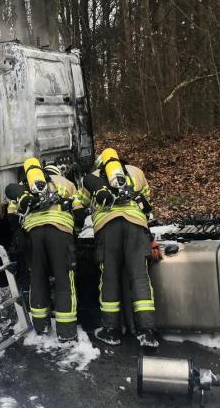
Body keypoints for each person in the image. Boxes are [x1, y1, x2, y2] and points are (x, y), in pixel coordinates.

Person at [74, 148, 159, 347]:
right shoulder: (137, 172)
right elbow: (147, 204)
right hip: (136, 226)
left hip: (107, 228)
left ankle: (111, 330)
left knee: (109, 278)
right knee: (140, 278)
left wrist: (81, 222)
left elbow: (78, 204)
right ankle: (147, 332)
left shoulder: (93, 177)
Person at [5, 158, 79, 342]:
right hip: (60, 233)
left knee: (37, 280)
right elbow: (79, 210)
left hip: (33, 236)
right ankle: (66, 332)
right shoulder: (66, 183)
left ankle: (41, 327)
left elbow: (11, 217)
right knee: (64, 282)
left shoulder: (23, 186)